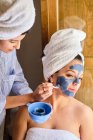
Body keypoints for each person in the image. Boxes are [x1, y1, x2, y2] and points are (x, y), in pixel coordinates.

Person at [12, 28, 93, 140]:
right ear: (51, 75)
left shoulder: (85, 114)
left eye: (80, 78)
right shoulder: (28, 110)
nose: (77, 83)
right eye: (70, 75)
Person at [0, 0, 53, 139]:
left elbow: (16, 77)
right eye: (13, 41)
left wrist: (36, 99)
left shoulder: (8, 51)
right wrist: (31, 97)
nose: (17, 47)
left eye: (20, 40)